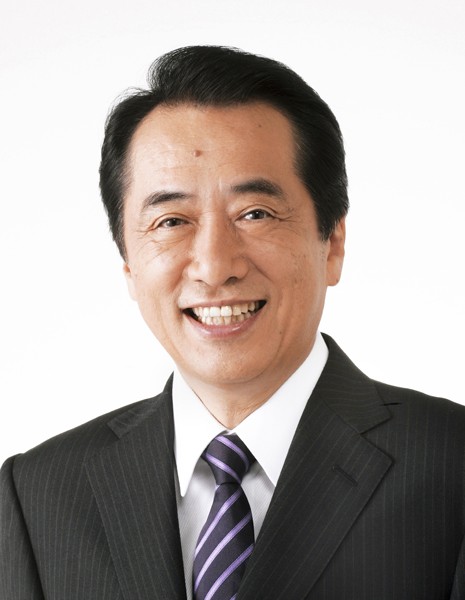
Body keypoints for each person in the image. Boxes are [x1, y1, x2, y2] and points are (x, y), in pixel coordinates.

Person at [1, 45, 464, 600]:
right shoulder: (36, 497)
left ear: (333, 243)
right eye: (171, 220)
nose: (215, 266)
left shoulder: (453, 468)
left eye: (255, 214)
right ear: (128, 263)